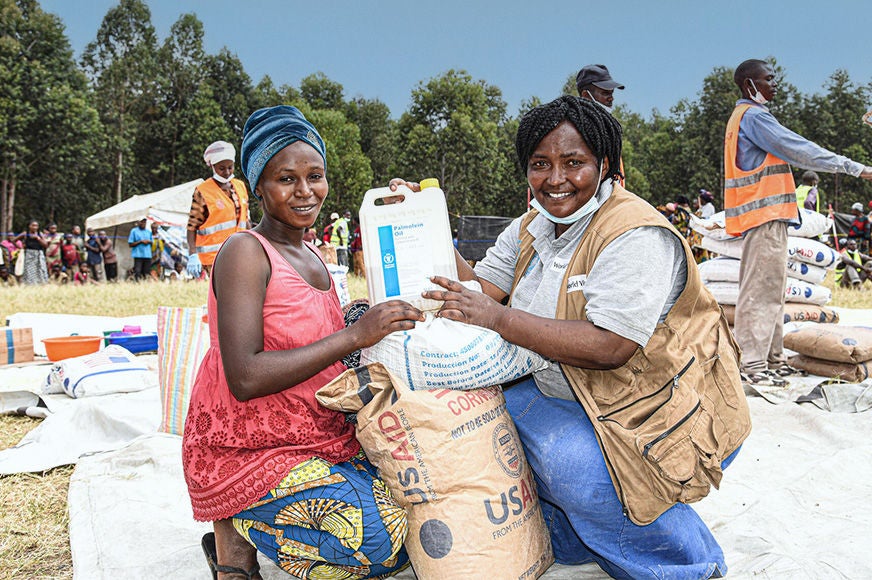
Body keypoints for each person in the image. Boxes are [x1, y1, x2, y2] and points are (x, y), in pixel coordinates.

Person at [412, 95, 748, 579]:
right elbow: (478, 291)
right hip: (574, 395)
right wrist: (423, 220)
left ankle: (687, 566)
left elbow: (611, 346)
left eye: (574, 163)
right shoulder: (533, 226)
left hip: (651, 408)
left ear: (604, 164)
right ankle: (578, 535)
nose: (555, 180)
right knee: (483, 429)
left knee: (574, 470)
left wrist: (500, 320)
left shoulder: (633, 234)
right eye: (540, 164)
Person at [181, 105, 422, 579]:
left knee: (421, 509)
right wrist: (356, 333)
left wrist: (408, 218)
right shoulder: (245, 252)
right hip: (253, 447)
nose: (305, 191)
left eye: (315, 175)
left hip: (322, 433)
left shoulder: (312, 252)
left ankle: (243, 538)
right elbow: (245, 375)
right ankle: (235, 524)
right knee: (376, 542)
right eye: (286, 179)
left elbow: (331, 337)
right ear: (259, 185)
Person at [724, 59, 872, 387]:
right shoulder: (755, 118)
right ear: (750, 85)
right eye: (768, 79)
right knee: (761, 293)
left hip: (768, 219)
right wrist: (854, 168)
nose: (775, 85)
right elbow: (798, 149)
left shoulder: (743, 118)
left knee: (772, 292)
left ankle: (772, 359)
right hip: (763, 219)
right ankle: (752, 364)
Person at [186, 140, 251, 279]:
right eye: (222, 168)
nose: (227, 172)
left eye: (230, 167)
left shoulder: (240, 186)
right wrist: (192, 254)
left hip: (240, 253)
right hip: (213, 258)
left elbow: (246, 221)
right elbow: (192, 227)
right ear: (212, 166)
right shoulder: (203, 191)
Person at [576, 64, 626, 186]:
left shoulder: (610, 133)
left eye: (612, 93)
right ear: (586, 96)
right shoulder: (575, 132)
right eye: (605, 93)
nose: (611, 98)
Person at [13, 220, 48, 285]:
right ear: (29, 226)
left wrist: (38, 238)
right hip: (29, 255)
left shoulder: (40, 234)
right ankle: (29, 285)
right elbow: (14, 240)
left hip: (38, 255)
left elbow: (45, 245)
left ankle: (41, 284)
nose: (35, 227)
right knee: (29, 271)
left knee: (40, 270)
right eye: (33, 225)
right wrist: (20, 247)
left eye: (36, 226)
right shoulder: (25, 233)